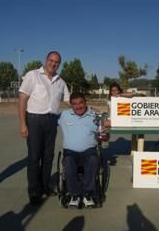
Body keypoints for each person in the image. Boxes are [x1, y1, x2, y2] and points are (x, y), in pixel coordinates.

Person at [18, 51, 70, 206]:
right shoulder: (32, 75)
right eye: (51, 60)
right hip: (34, 120)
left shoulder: (60, 81)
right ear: (46, 60)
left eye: (57, 62)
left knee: (48, 157)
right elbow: (22, 100)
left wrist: (87, 108)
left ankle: (45, 186)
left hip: (52, 120)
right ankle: (34, 192)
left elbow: (69, 100)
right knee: (34, 157)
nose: (53, 64)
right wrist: (22, 123)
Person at [58, 93, 109, 208]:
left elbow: (106, 128)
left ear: (85, 102)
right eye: (75, 104)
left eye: (81, 103)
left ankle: (87, 193)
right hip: (70, 152)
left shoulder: (94, 115)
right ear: (71, 105)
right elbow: (48, 118)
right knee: (68, 162)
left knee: (93, 159)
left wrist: (104, 132)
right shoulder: (64, 115)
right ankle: (75, 194)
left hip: (89, 151)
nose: (78, 106)